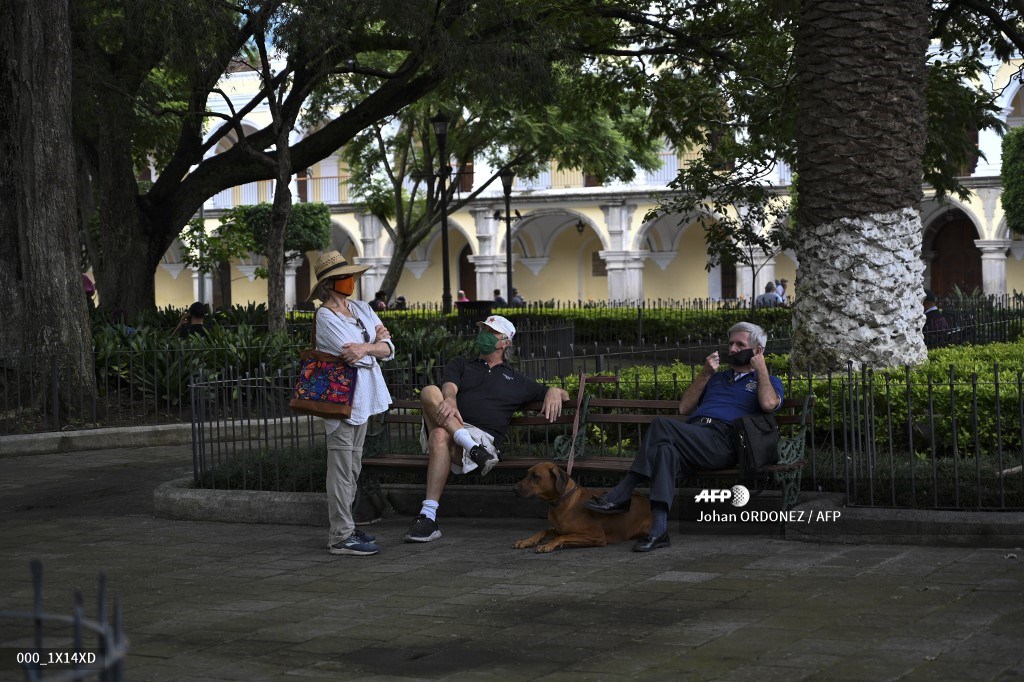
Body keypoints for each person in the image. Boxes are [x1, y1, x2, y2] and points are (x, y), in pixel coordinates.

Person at [584, 322, 784, 553]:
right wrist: (706, 373)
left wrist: (761, 370)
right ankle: (659, 530)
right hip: (695, 437)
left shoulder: (767, 381)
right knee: (664, 452)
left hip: (723, 443)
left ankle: (621, 493)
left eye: (740, 344)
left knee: (660, 425)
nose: (733, 349)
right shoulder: (717, 378)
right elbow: (684, 408)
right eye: (730, 343)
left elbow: (769, 404)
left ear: (757, 350)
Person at [404, 315, 570, 543]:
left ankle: (428, 516)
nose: (483, 335)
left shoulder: (516, 380)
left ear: (505, 342)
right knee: (429, 391)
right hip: (458, 430)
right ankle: (469, 446)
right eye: (482, 329)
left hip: (482, 439)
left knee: (440, 433)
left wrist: (553, 390)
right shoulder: (461, 365)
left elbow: (564, 395)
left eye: (490, 332)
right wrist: (450, 398)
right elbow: (448, 387)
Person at [307, 251, 395, 556]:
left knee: (353, 467)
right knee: (342, 468)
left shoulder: (359, 308)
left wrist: (368, 346)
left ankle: (346, 525)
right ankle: (340, 535)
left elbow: (388, 348)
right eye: (347, 276)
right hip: (342, 403)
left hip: (365, 400)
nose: (352, 281)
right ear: (331, 283)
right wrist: (374, 343)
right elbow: (351, 355)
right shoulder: (325, 316)